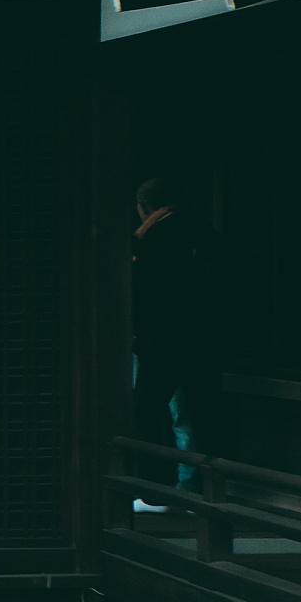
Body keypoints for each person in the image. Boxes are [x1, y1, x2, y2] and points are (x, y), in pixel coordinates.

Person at [131, 176, 218, 498]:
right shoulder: (205, 231)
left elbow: (145, 291)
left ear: (143, 207)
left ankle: (154, 489)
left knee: (146, 411)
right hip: (205, 338)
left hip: (162, 338)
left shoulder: (152, 237)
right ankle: (198, 486)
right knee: (194, 412)